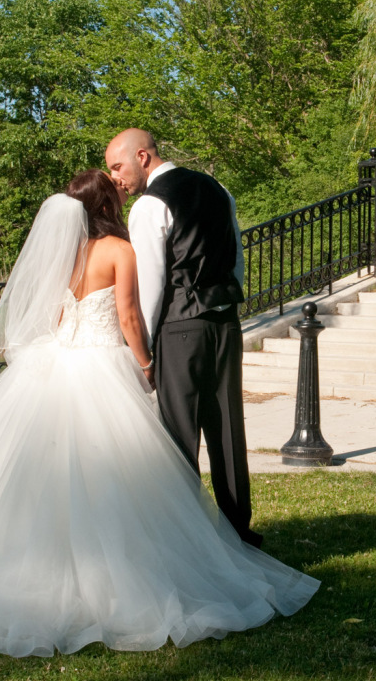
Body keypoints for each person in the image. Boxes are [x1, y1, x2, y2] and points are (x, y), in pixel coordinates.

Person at [0, 169, 318, 658]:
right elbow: (128, 315)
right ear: (107, 205)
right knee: (122, 472)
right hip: (101, 366)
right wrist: (145, 364)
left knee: (33, 474)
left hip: (56, 362)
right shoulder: (118, 250)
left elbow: (55, 314)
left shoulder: (64, 253)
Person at [105, 129, 261, 548]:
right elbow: (236, 257)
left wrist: (147, 349)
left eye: (117, 167)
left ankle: (185, 541)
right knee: (227, 427)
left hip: (180, 329)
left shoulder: (150, 205)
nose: (116, 177)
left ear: (142, 156)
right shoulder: (217, 188)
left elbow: (152, 284)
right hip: (225, 322)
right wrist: (228, 310)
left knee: (179, 435)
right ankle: (237, 531)